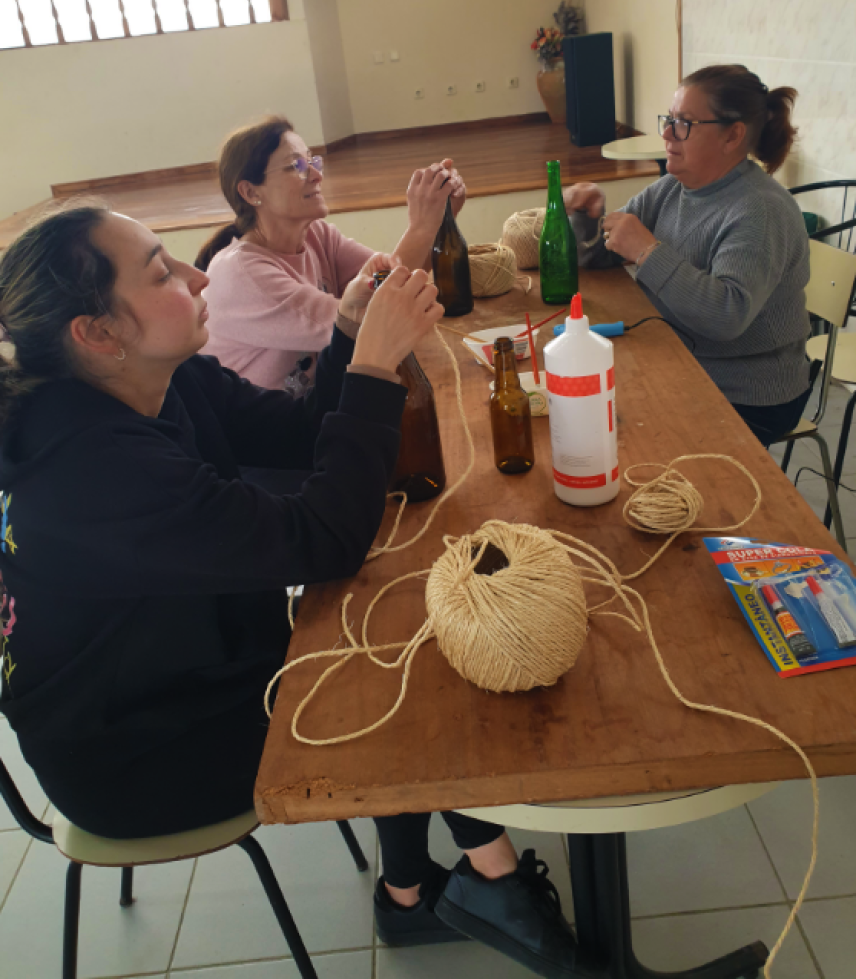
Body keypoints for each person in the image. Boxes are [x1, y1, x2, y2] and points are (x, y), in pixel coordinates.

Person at [0, 204, 596, 979]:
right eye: (159, 273)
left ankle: (423, 890)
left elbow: (303, 436)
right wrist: (375, 366)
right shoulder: (90, 475)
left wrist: (349, 335)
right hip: (133, 755)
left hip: (184, 670)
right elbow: (325, 542)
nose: (194, 276)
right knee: (401, 681)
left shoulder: (158, 379)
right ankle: (476, 886)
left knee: (393, 638)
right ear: (98, 333)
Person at [564, 64, 811, 447]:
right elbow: (597, 255)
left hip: (749, 393)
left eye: (683, 123)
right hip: (681, 361)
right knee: (576, 409)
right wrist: (585, 215)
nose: (666, 133)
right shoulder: (671, 189)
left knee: (618, 440)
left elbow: (727, 316)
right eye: (669, 119)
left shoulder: (760, 210)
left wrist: (647, 252)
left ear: (732, 135)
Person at [195, 115, 467, 394]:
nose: (316, 175)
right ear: (250, 192)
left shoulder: (317, 235)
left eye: (312, 161)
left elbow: (397, 282)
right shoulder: (241, 274)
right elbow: (372, 327)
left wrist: (439, 220)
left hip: (321, 406)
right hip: (279, 422)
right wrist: (421, 227)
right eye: (297, 166)